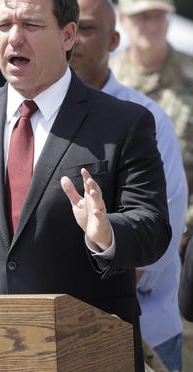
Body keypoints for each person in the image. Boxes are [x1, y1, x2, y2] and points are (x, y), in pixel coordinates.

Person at [0, 0, 171, 370]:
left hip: (85, 350)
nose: (14, 38)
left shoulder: (124, 123)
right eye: (3, 25)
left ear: (68, 35)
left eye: (31, 25)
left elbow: (151, 225)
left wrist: (107, 233)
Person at [69, 0, 186, 370]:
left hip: (141, 330)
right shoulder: (28, 119)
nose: (72, 40)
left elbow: (154, 243)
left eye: (85, 28)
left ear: (114, 38)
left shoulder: (147, 119)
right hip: (52, 330)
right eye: (64, 28)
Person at [110, 0, 193, 257]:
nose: (151, 25)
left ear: (168, 20)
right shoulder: (106, 79)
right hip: (119, 238)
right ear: (122, 19)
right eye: (141, 17)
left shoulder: (190, 75)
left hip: (187, 241)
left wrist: (184, 226)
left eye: (157, 16)